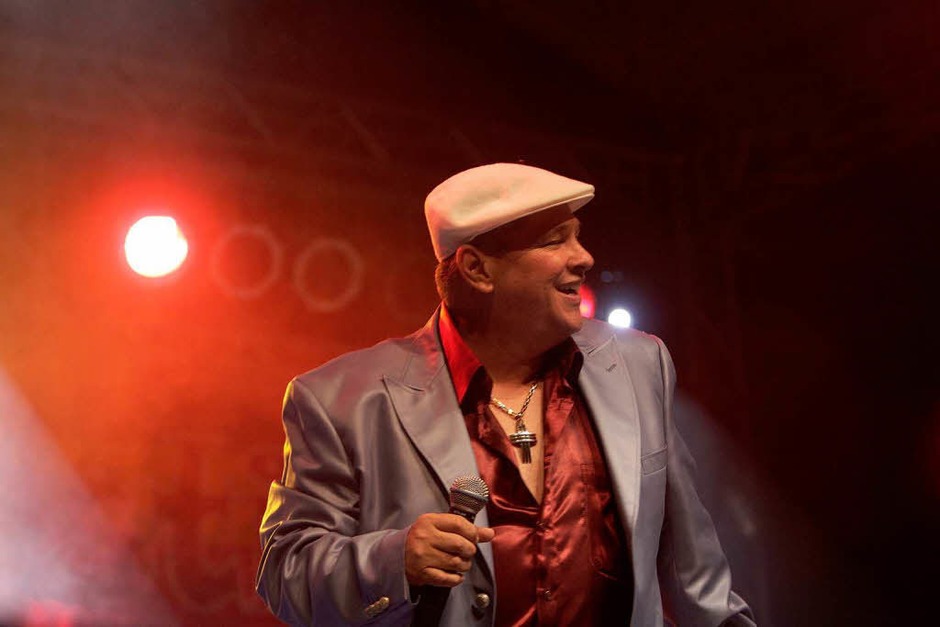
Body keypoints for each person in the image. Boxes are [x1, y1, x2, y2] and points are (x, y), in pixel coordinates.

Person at [256, 163, 755, 626]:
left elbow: (695, 575)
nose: (583, 258)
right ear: (477, 269)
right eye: (555, 241)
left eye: (578, 237)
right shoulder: (341, 399)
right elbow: (284, 571)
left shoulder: (637, 365)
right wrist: (393, 559)